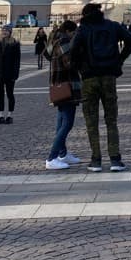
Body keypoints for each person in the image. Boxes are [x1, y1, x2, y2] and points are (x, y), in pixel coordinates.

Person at [70, 3, 131, 172]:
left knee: (91, 121)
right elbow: (130, 40)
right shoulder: (112, 26)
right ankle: (115, 159)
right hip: (109, 77)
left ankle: (96, 160)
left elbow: (73, 52)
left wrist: (80, 68)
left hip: (89, 78)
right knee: (111, 120)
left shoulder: (83, 29)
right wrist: (119, 60)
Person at [44, 20, 82, 170]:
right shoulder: (64, 41)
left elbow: (46, 54)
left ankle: (62, 153)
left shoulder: (54, 40)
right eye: (74, 33)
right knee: (67, 123)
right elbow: (70, 63)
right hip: (66, 86)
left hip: (58, 85)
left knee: (61, 121)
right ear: (69, 31)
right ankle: (52, 157)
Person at [0, 25, 21, 124]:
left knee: (10, 94)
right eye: (3, 30)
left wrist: (15, 74)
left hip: (9, 74)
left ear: (10, 32)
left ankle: (10, 115)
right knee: (0, 95)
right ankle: (1, 115)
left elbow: (17, 61)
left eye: (6, 30)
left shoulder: (14, 44)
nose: (4, 32)